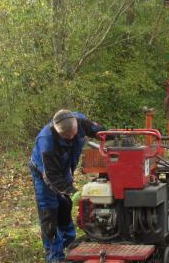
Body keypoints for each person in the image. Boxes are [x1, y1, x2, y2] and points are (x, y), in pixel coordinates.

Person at [29, 109, 105, 262]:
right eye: (67, 137)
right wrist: (70, 191)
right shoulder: (47, 142)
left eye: (74, 135)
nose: (72, 138)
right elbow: (50, 176)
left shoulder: (80, 121)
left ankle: (69, 245)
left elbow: (100, 131)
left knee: (64, 207)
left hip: (64, 171)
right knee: (49, 213)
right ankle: (54, 255)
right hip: (45, 175)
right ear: (60, 133)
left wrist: (114, 137)